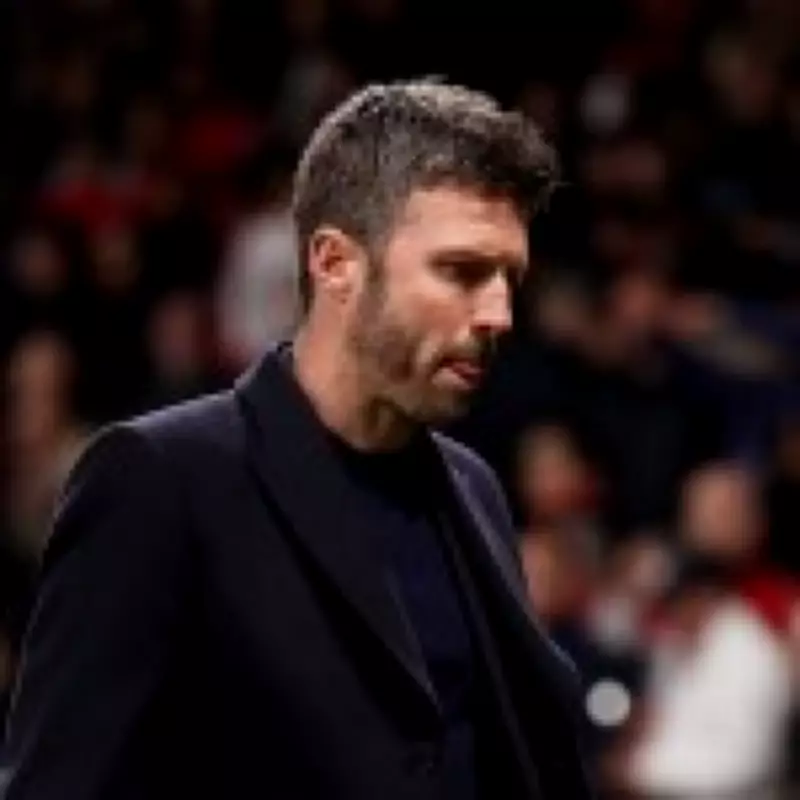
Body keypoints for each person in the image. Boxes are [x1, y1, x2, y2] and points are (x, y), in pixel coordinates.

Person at [0, 79, 594, 800]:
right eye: (462, 272)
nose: (499, 313)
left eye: (509, 279)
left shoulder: (474, 487)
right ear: (335, 263)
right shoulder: (159, 479)